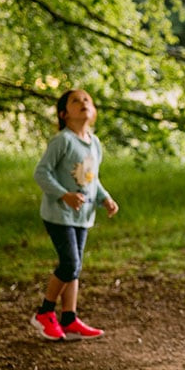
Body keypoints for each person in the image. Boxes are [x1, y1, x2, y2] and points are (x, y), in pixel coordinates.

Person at [31, 89, 119, 341]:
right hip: (58, 214)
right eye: (75, 101)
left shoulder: (94, 143)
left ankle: (69, 319)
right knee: (70, 264)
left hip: (83, 216)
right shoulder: (63, 140)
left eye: (87, 100)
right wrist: (63, 195)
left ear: (93, 111)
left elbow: (92, 179)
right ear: (63, 114)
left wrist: (105, 198)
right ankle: (44, 313)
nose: (83, 103)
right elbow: (41, 173)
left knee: (75, 268)